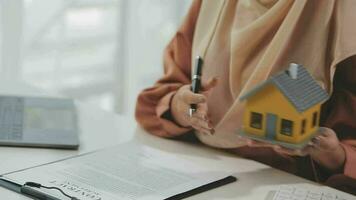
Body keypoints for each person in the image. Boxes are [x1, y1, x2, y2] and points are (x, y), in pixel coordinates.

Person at [135, 0, 356, 193]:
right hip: (196, 173)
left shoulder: (343, 12)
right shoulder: (212, 4)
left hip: (287, 186)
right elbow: (161, 97)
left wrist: (334, 155)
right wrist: (179, 107)